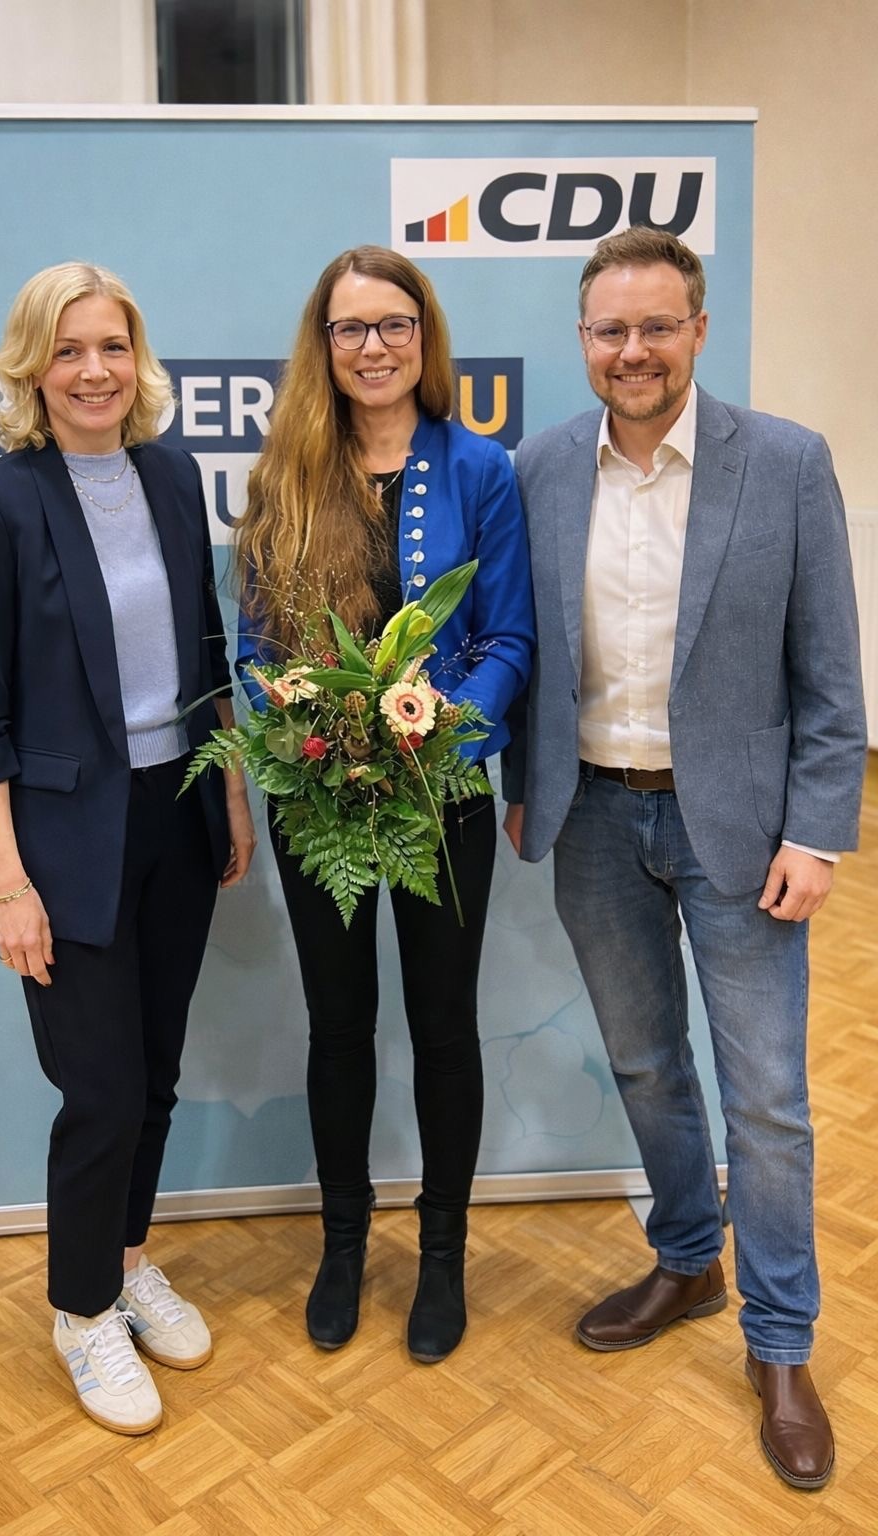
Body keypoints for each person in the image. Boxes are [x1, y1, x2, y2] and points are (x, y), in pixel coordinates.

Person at [503, 227, 867, 1489]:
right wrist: (517, 784)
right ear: (584, 341)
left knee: (765, 1101)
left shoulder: (785, 463)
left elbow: (830, 680)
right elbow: (519, 650)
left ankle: (779, 1345)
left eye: (657, 326)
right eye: (610, 329)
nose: (633, 350)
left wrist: (818, 829)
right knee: (647, 1064)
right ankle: (687, 1256)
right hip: (592, 820)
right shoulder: (539, 469)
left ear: (698, 331)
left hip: (744, 834)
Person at [0, 262, 255, 1435]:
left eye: (112, 347)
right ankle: (78, 1313)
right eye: (67, 351)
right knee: (101, 1088)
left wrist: (225, 795)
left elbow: (206, 647)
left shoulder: (170, 475)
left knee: (154, 1076)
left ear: (139, 359)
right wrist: (6, 882)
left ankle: (122, 1264)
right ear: (30, 368)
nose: (93, 371)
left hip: (176, 810)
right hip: (62, 839)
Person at [235, 245, 534, 1363]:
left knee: (444, 1028)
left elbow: (507, 638)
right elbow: (254, 645)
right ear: (325, 345)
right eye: (352, 328)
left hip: (440, 797)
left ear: (424, 337)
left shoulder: (480, 468)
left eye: (394, 325)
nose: (374, 347)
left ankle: (443, 1254)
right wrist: (296, 724)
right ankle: (345, 1243)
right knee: (339, 1027)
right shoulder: (283, 476)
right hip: (315, 800)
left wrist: (437, 727)